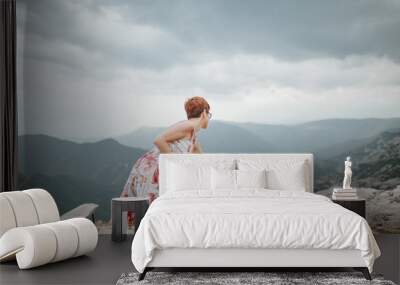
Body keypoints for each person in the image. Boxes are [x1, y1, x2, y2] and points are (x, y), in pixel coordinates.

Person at [120, 96, 211, 229]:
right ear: (204, 113)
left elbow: (200, 156)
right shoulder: (188, 125)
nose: (209, 118)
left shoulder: (192, 134)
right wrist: (174, 164)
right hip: (151, 168)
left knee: (149, 205)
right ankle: (134, 236)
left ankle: (139, 234)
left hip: (158, 168)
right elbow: (159, 140)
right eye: (209, 114)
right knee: (148, 205)